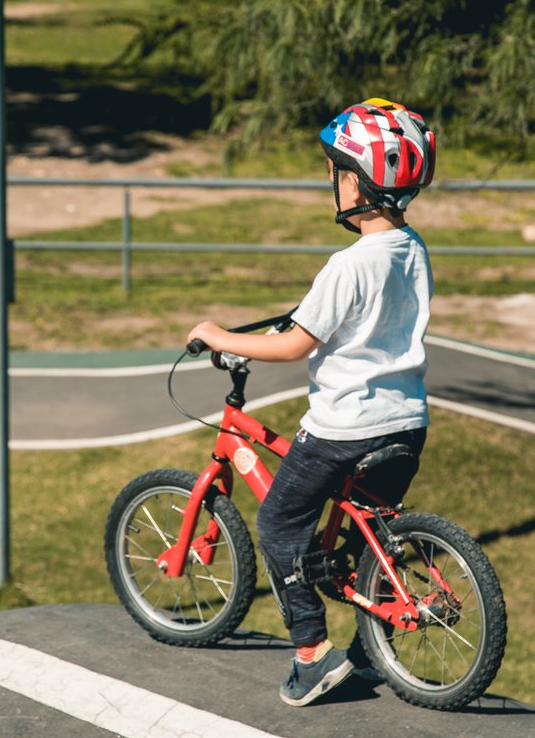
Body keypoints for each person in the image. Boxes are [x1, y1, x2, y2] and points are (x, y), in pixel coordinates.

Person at [186, 98, 436, 706]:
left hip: (343, 427)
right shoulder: (412, 249)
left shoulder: (346, 265)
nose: (332, 181)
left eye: (335, 171)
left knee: (277, 523)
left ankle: (310, 657)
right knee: (359, 536)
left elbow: (299, 342)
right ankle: (373, 645)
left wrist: (219, 336)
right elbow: (353, 325)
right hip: (405, 423)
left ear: (355, 182)